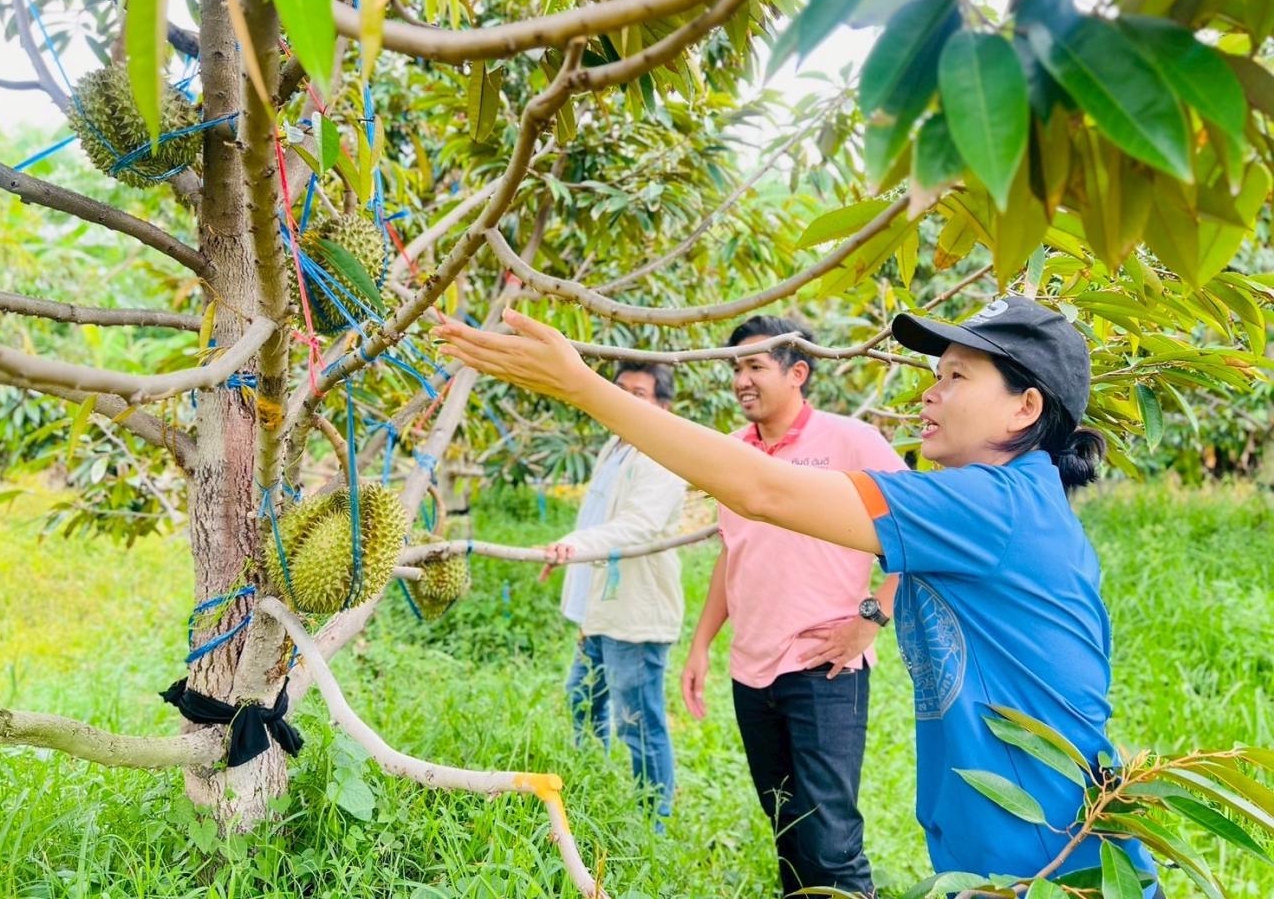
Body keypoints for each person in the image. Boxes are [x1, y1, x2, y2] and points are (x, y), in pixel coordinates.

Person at [434, 296, 1160, 895]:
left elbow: (762, 493)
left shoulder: (995, 505)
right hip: (1015, 842)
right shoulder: (1001, 503)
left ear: (1023, 408)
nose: (929, 393)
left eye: (957, 377)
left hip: (1049, 853)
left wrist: (580, 385)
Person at [680, 315, 904, 896]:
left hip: (824, 669)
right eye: (736, 368)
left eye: (754, 366)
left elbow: (920, 533)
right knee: (786, 827)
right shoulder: (732, 453)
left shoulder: (850, 441)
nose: (740, 380)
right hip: (751, 670)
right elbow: (735, 553)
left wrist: (871, 621)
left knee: (830, 840)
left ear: (797, 372)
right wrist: (702, 645)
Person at [539, 361, 686, 830]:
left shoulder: (663, 452)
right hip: (600, 610)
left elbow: (639, 525)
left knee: (638, 721)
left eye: (637, 394)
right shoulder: (617, 445)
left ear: (663, 405)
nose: (622, 399)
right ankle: (592, 787)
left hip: (635, 615)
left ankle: (652, 824)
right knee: (583, 701)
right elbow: (597, 518)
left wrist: (575, 546)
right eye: (618, 390)